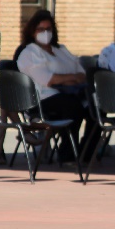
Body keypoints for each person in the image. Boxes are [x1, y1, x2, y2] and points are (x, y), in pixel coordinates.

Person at [17, 10, 89, 162]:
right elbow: (49, 79)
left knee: (94, 107)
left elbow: (81, 73)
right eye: (40, 29)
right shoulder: (29, 53)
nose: (45, 32)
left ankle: (86, 152)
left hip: (70, 94)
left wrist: (68, 79)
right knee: (73, 106)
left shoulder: (61, 50)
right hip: (42, 100)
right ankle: (67, 154)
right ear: (32, 31)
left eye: (48, 29)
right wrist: (69, 78)